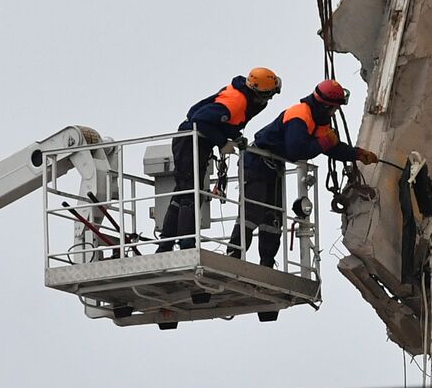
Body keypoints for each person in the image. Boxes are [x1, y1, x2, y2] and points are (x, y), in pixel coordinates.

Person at [228, 79, 378, 267]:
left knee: (273, 217)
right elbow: (296, 151)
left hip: (273, 167)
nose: (336, 111)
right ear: (325, 105)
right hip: (256, 162)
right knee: (252, 212)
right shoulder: (300, 116)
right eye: (334, 107)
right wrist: (324, 142)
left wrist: (357, 154)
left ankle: (266, 263)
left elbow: (332, 147)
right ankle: (234, 256)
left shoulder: (320, 118)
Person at [156, 68, 282, 252]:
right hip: (190, 140)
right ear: (260, 93)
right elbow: (199, 119)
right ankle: (186, 243)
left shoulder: (244, 99)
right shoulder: (236, 102)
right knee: (190, 191)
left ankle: (167, 243)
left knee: (184, 190)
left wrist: (234, 136)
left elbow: (224, 122)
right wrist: (222, 141)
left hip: (198, 141)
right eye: (269, 95)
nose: (269, 99)